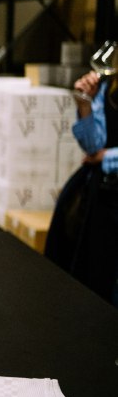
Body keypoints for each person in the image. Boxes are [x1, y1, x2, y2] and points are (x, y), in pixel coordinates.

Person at [45, 69, 118, 307]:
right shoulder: (108, 85)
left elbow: (99, 155)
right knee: (88, 275)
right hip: (100, 196)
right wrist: (85, 105)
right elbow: (93, 146)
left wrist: (107, 158)